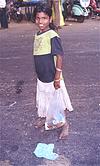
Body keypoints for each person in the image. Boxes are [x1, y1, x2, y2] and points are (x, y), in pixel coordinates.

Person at [33, 2, 73, 139]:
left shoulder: (52, 35)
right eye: (38, 18)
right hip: (42, 76)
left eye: (44, 18)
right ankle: (45, 118)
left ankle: (65, 124)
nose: (40, 21)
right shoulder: (38, 34)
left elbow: (60, 56)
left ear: (49, 19)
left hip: (52, 77)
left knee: (57, 102)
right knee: (44, 100)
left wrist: (57, 76)